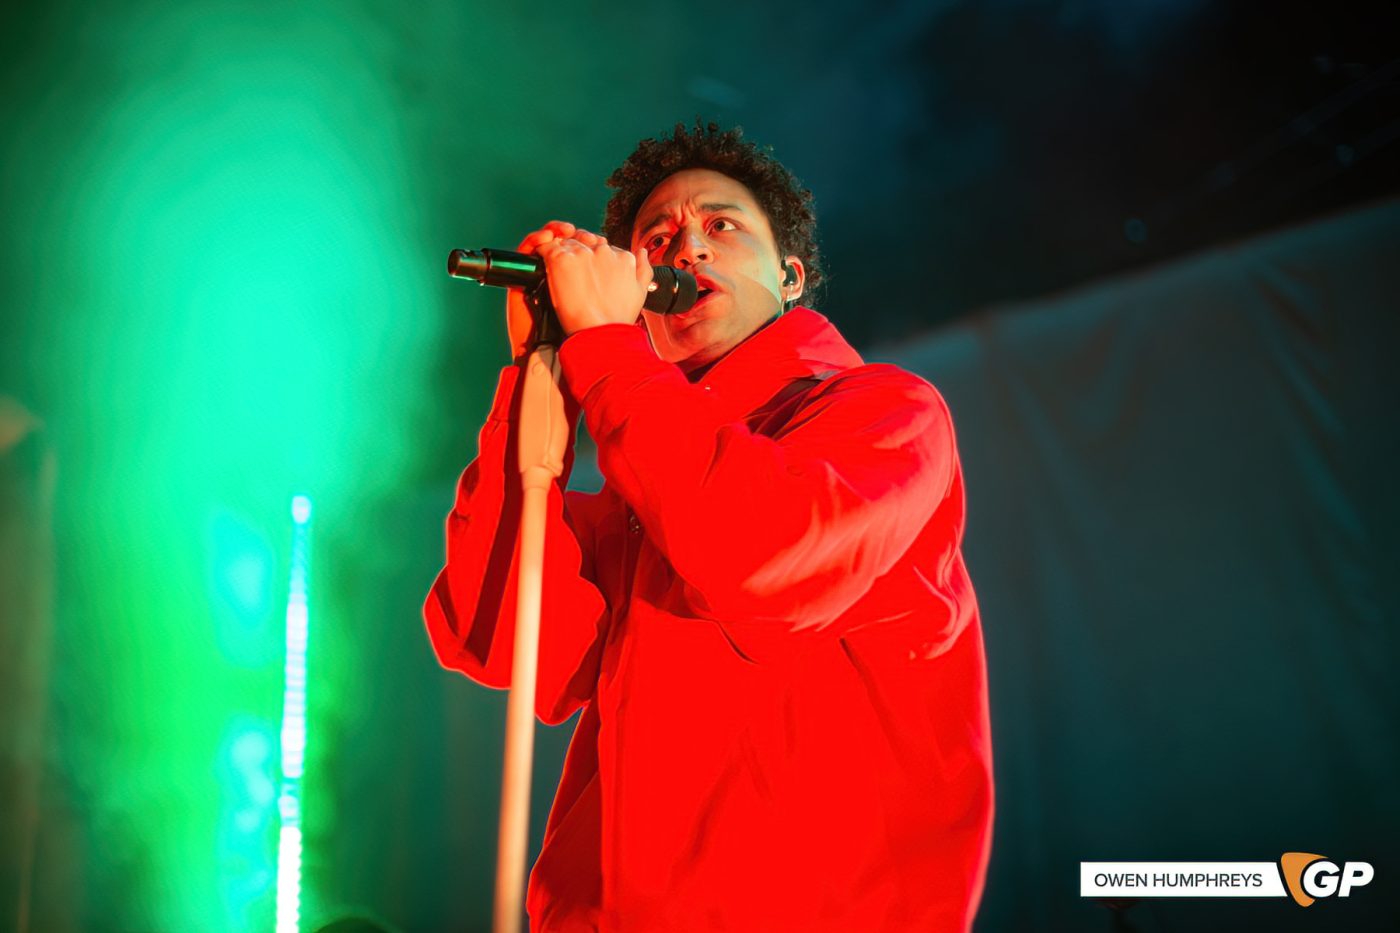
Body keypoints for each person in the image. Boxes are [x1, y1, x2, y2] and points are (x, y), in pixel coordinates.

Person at [424, 121, 993, 931]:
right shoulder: (641, 489)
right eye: (656, 240)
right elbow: (501, 635)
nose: (685, 249)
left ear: (790, 274)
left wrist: (612, 354)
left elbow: (763, 549)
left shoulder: (885, 414)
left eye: (720, 226)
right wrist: (534, 373)